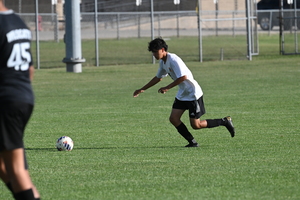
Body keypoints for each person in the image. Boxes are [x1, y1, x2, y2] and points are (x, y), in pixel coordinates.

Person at [133, 37, 235, 147]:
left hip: (193, 94)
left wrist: (167, 88)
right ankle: (192, 142)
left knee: (196, 125)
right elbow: (158, 78)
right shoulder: (163, 62)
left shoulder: (173, 59)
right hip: (183, 94)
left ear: (162, 49)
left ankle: (224, 121)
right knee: (174, 119)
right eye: (152, 52)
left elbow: (183, 77)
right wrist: (142, 89)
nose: (154, 54)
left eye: (155, 51)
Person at [0, 1, 41, 199]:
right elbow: (29, 70)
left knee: (17, 169)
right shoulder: (19, 23)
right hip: (23, 97)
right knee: (7, 164)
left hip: (5, 100)